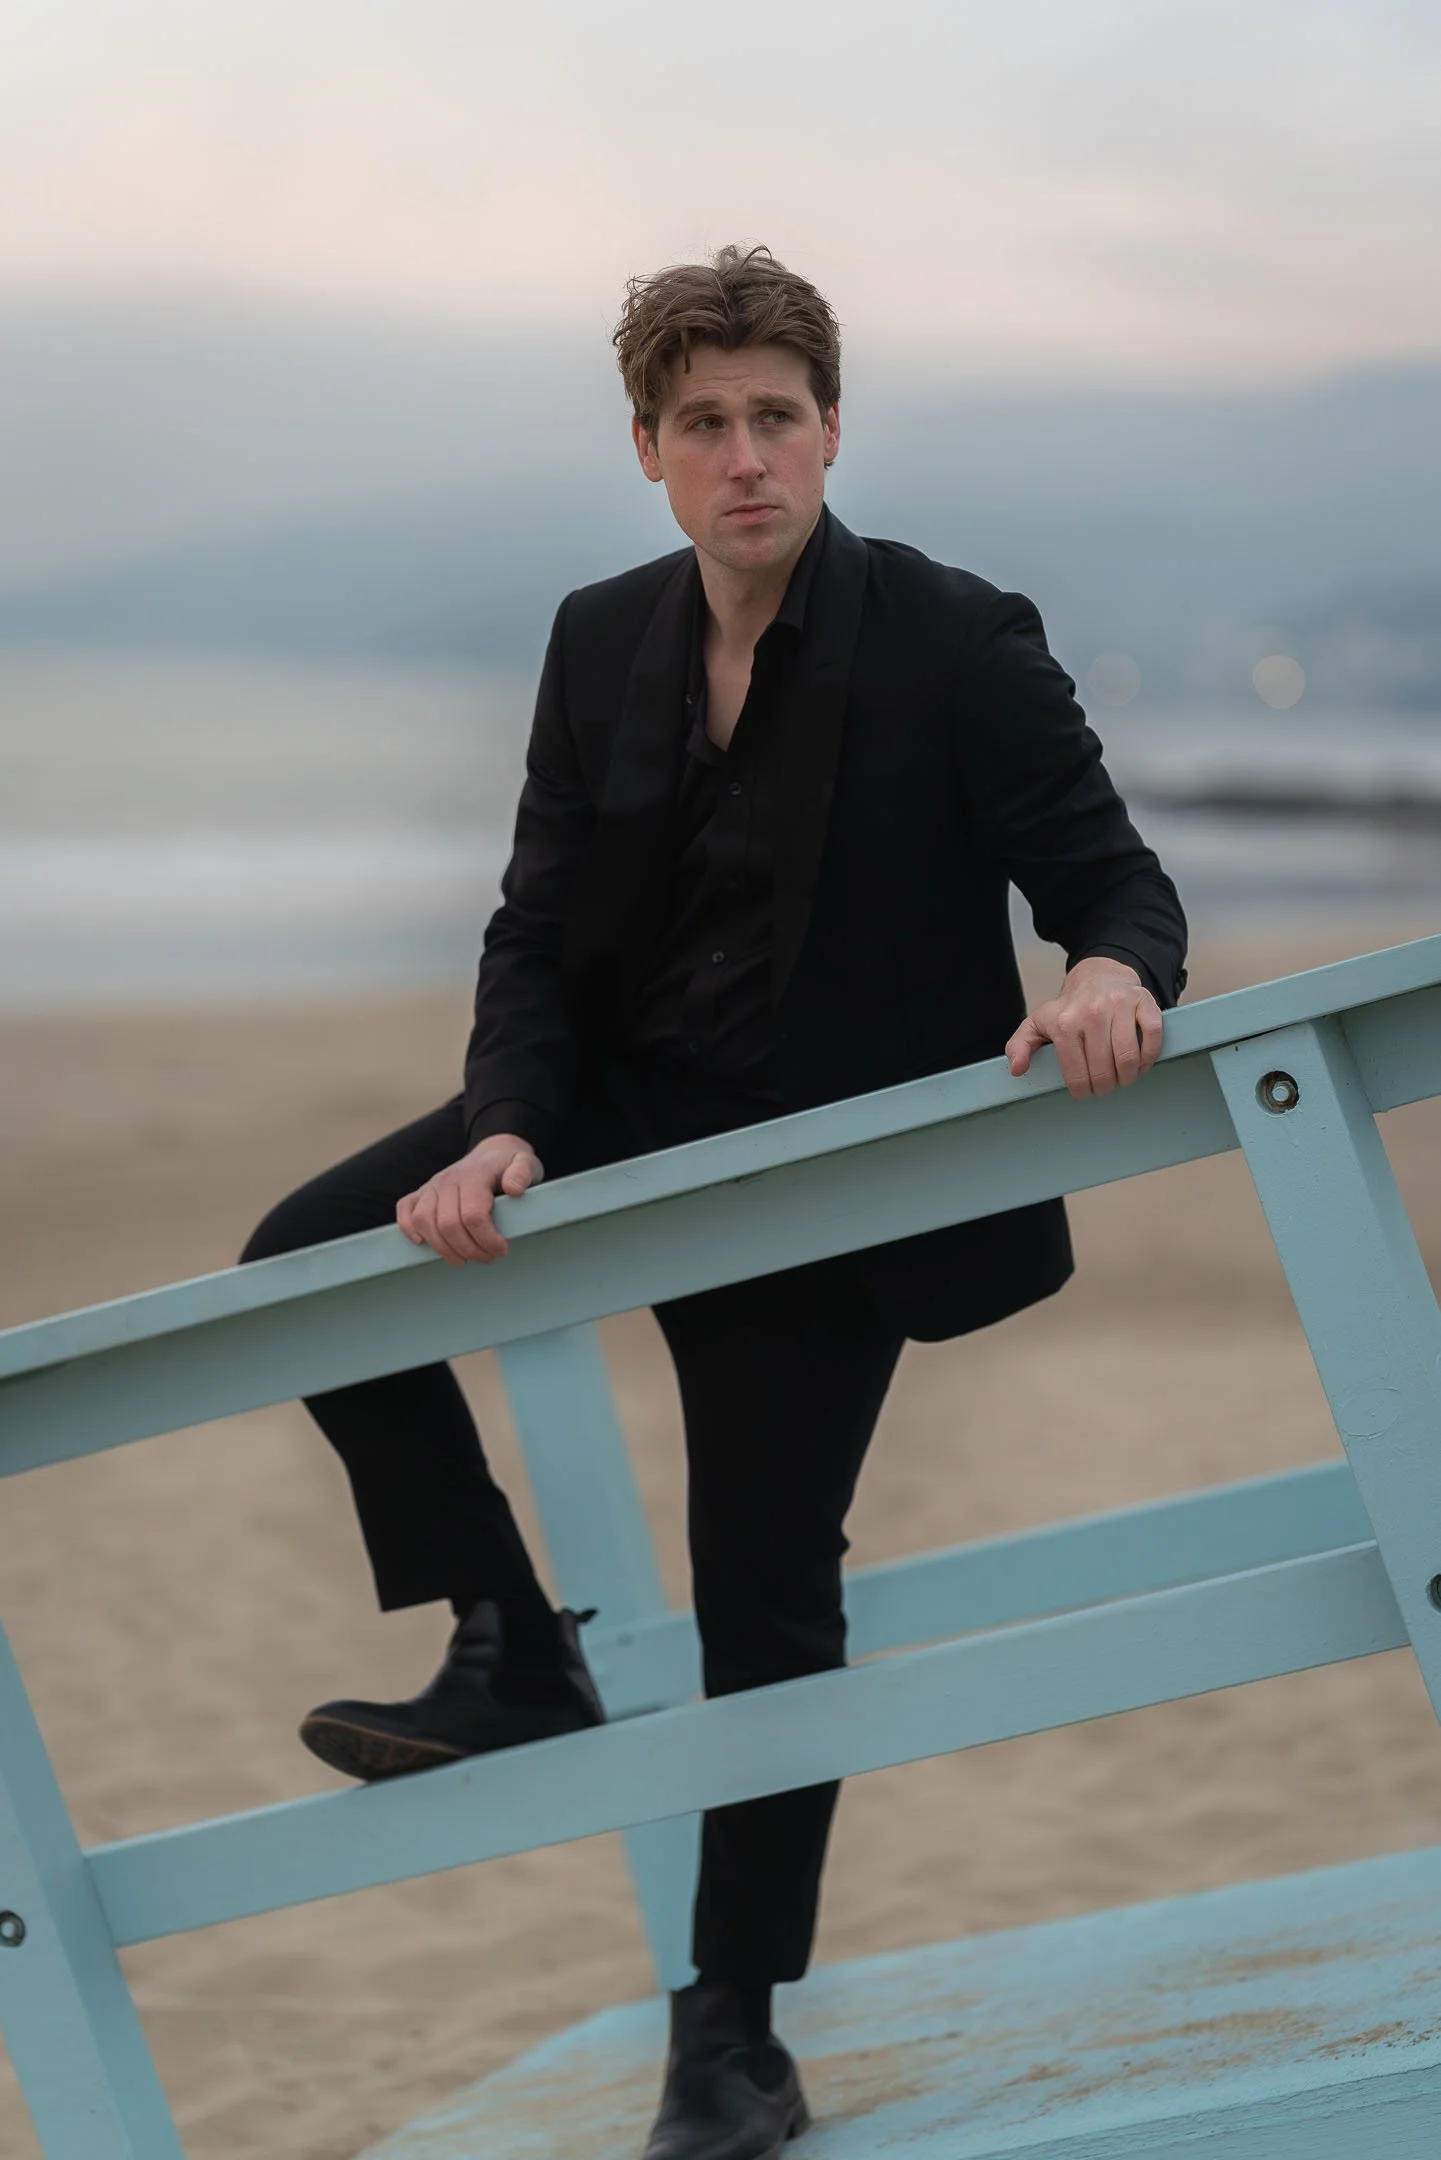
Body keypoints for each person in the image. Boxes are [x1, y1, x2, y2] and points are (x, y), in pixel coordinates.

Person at [242, 244, 1187, 2160]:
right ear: (651, 453)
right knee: (298, 1266)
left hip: (823, 1180)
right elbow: (531, 921)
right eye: (704, 425)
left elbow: (1117, 882)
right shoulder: (601, 641)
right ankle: (516, 1643)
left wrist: (1106, 976)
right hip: (614, 1109)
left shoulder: (955, 638)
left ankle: (730, 2039)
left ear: (831, 430)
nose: (745, 455)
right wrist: (508, 1119)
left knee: (766, 1593)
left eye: (776, 417)